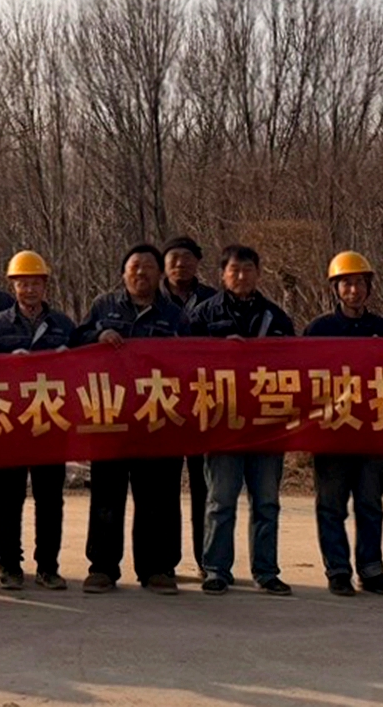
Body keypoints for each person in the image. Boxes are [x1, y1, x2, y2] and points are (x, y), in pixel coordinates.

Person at [78, 243, 189, 595]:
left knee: (158, 498)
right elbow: (76, 342)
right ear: (123, 273)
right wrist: (97, 336)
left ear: (160, 274)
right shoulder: (103, 307)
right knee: (107, 497)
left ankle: (157, 569)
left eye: (148, 267)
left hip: (159, 420)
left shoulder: (175, 316)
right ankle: (102, 568)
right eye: (134, 267)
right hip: (111, 417)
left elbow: (194, 361)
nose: (141, 273)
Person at [188, 244, 295, 596]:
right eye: (234, 269)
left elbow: (296, 366)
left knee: (266, 502)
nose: (241, 275)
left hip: (267, 426)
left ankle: (266, 571)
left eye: (248, 269)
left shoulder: (276, 318)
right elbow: (184, 363)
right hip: (223, 425)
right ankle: (216, 569)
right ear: (222, 275)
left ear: (258, 274)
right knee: (221, 502)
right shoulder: (203, 316)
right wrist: (219, 351)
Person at [304, 251, 383, 598]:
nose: (353, 290)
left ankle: (372, 570)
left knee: (370, 504)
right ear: (335, 288)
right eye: (346, 283)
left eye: (359, 283)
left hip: (373, 433)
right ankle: (338, 570)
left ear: (369, 287)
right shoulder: (319, 330)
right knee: (331, 505)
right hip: (331, 433)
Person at [0, 250, 75, 592]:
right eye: (23, 284)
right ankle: (9, 564)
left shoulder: (63, 325)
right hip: (8, 425)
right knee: (7, 497)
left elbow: (81, 371)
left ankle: (48, 566)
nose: (29, 290)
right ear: (13, 286)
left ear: (45, 285)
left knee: (49, 499)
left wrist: (67, 360)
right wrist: (8, 363)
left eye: (35, 283)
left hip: (50, 422)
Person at [160, 235, 217, 577]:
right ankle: (165, 561)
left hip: (203, 407)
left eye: (187, 258)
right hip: (163, 407)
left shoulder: (214, 301)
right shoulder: (151, 301)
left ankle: (206, 560)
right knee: (165, 489)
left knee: (205, 489)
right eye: (174, 258)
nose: (180, 264)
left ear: (198, 262)